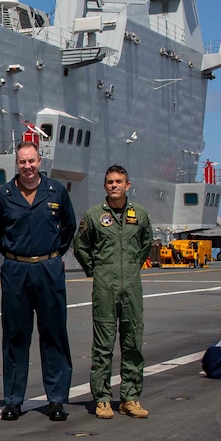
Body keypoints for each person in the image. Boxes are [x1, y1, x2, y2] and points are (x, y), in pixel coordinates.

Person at [0, 141, 78, 421]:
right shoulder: (4, 195)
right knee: (16, 336)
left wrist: (52, 255)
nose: (27, 166)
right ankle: (14, 400)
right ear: (16, 163)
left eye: (32, 161)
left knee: (54, 334)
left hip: (48, 269)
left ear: (40, 161)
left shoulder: (56, 191)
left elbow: (69, 226)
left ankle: (56, 400)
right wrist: (16, 256)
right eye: (22, 162)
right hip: (16, 270)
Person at [74, 165, 152, 419]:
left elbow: (146, 243)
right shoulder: (94, 215)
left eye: (119, 181)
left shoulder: (139, 214)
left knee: (132, 342)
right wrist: (96, 271)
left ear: (128, 185)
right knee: (103, 344)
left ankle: (130, 397)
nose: (114, 185)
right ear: (105, 186)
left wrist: (130, 268)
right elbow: (81, 246)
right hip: (105, 287)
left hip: (131, 286)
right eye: (110, 182)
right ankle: (103, 399)